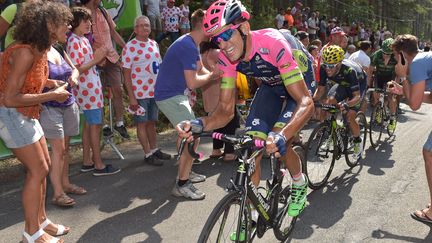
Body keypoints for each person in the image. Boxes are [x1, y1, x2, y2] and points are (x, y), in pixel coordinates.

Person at [193, 0, 314, 220]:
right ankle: (251, 211)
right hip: (271, 85)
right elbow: (225, 112)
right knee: (251, 148)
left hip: (299, 85)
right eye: (216, 40)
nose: (223, 45)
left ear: (245, 28)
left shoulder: (272, 43)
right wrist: (198, 124)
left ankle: (299, 182)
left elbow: (306, 101)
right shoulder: (227, 58)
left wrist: (281, 134)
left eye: (226, 35)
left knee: (281, 143)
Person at [0, 1, 72, 242]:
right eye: (64, 22)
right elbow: (10, 98)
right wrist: (52, 95)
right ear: (49, 25)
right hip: (11, 114)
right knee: (38, 169)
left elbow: (29, 81)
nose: (69, 25)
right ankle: (31, 234)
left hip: (27, 112)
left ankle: (40, 222)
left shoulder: (40, 49)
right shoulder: (24, 52)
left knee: (44, 165)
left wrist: (49, 83)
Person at [154, 9, 221, 200]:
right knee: (193, 133)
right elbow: (193, 82)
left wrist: (212, 70)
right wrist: (212, 75)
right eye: (213, 23)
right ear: (204, 25)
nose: (216, 28)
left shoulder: (191, 43)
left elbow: (200, 70)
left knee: (189, 134)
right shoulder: (188, 46)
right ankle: (182, 183)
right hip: (170, 96)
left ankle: (186, 172)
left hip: (176, 95)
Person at [67, 6, 121, 176]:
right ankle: (98, 164)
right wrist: (96, 59)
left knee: (89, 125)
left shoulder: (82, 39)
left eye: (89, 20)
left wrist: (97, 60)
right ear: (75, 22)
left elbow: (86, 65)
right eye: (85, 20)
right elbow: (77, 69)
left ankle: (88, 161)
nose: (89, 23)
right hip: (87, 90)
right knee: (95, 126)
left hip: (91, 89)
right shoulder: (75, 41)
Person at [387, 34, 432, 225]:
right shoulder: (425, 59)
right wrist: (405, 90)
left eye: (396, 56)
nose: (395, 61)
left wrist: (403, 75)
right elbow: (426, 97)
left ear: (403, 55)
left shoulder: (419, 63)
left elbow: (413, 105)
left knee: (429, 153)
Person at [122, 15, 171, 166]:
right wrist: (132, 97)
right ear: (135, 29)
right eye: (141, 25)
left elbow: (159, 68)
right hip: (139, 93)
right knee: (142, 124)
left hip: (154, 92)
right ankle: (147, 153)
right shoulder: (130, 47)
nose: (144, 28)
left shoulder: (154, 44)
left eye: (147, 25)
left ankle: (155, 149)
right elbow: (126, 74)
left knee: (151, 122)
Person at [80, 0, 129, 139]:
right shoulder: (81, 13)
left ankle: (120, 123)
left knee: (118, 89)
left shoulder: (103, 11)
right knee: (98, 94)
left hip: (111, 57)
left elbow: (113, 33)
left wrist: (127, 48)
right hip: (94, 60)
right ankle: (105, 125)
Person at [313, 45, 367, 160]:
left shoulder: (349, 71)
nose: (327, 68)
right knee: (328, 102)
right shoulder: (324, 67)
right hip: (342, 84)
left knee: (349, 116)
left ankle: (358, 141)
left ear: (339, 63)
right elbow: (321, 89)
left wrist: (347, 104)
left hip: (358, 85)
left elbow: (356, 97)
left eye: (331, 66)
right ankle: (331, 132)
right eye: (326, 65)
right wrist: (311, 101)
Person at [200, 42, 240, 162]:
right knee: (230, 122)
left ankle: (216, 150)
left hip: (209, 97)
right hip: (222, 94)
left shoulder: (200, 57)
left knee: (216, 122)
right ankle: (229, 152)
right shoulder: (217, 53)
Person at [370, 38, 398, 132]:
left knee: (391, 97)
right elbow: (370, 70)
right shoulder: (377, 54)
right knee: (376, 95)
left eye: (388, 54)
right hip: (379, 76)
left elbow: (399, 72)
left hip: (391, 76)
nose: (385, 55)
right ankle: (379, 109)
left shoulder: (396, 56)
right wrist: (368, 84)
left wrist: (396, 84)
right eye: (384, 53)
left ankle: (392, 118)